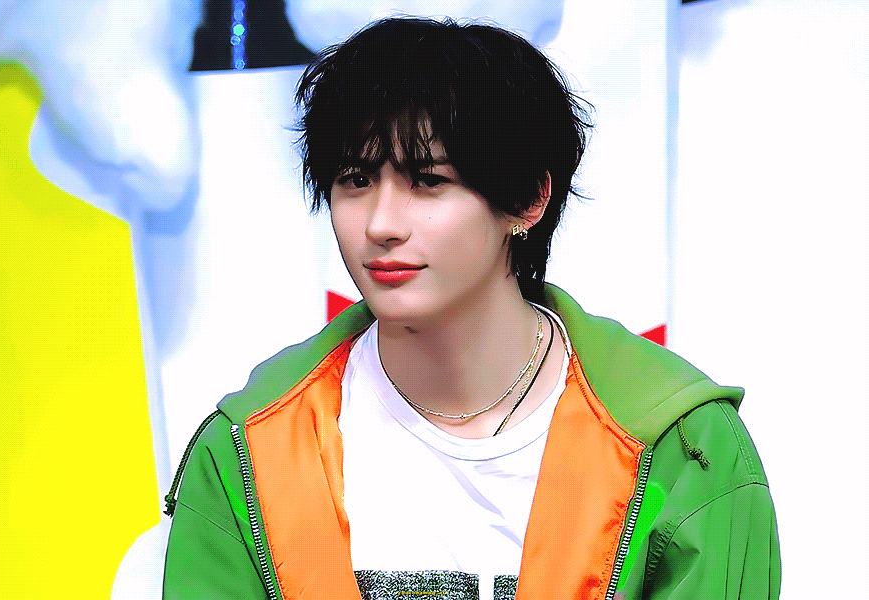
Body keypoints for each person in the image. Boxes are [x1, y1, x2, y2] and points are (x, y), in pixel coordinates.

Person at [162, 17, 780, 600]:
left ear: (529, 199)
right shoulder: (249, 448)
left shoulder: (680, 446)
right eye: (355, 179)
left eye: (427, 180)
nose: (381, 224)